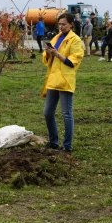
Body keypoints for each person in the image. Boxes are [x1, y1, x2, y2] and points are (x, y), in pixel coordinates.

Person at [42, 13, 84, 153]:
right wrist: (48, 52)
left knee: (66, 113)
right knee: (48, 112)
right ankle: (54, 142)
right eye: (59, 24)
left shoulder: (75, 40)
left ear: (71, 24)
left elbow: (73, 61)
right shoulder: (57, 37)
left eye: (64, 24)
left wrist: (57, 54)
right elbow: (47, 59)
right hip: (53, 80)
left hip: (65, 80)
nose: (61, 27)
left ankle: (67, 146)